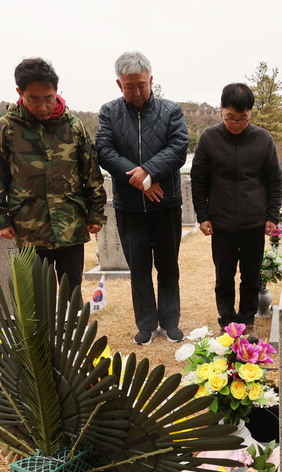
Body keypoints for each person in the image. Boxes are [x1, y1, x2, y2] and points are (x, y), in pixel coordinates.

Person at [0, 57, 106, 294]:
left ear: (56, 92)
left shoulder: (73, 125)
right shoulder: (7, 127)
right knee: (39, 296)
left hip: (70, 223)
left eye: (48, 99)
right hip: (29, 226)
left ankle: (72, 331)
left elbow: (90, 171)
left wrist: (96, 212)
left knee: (72, 292)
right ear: (20, 93)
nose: (42, 107)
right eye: (34, 100)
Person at [96, 51, 189, 345]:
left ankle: (170, 321)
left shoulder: (171, 111)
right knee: (138, 267)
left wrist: (148, 173)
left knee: (167, 265)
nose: (136, 92)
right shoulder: (109, 112)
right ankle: (146, 323)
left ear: (151, 80)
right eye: (129, 86)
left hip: (166, 202)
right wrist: (140, 181)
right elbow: (105, 151)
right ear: (118, 84)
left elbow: (178, 148)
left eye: (141, 85)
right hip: (130, 207)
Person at [191, 83, 282, 329]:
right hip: (221, 223)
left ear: (250, 113)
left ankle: (247, 318)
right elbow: (198, 180)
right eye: (230, 118)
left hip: (254, 221)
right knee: (224, 276)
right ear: (221, 110)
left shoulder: (263, 139)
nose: (235, 125)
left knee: (251, 277)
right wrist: (203, 216)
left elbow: (274, 179)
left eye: (242, 119)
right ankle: (227, 318)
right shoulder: (209, 138)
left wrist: (272, 216)